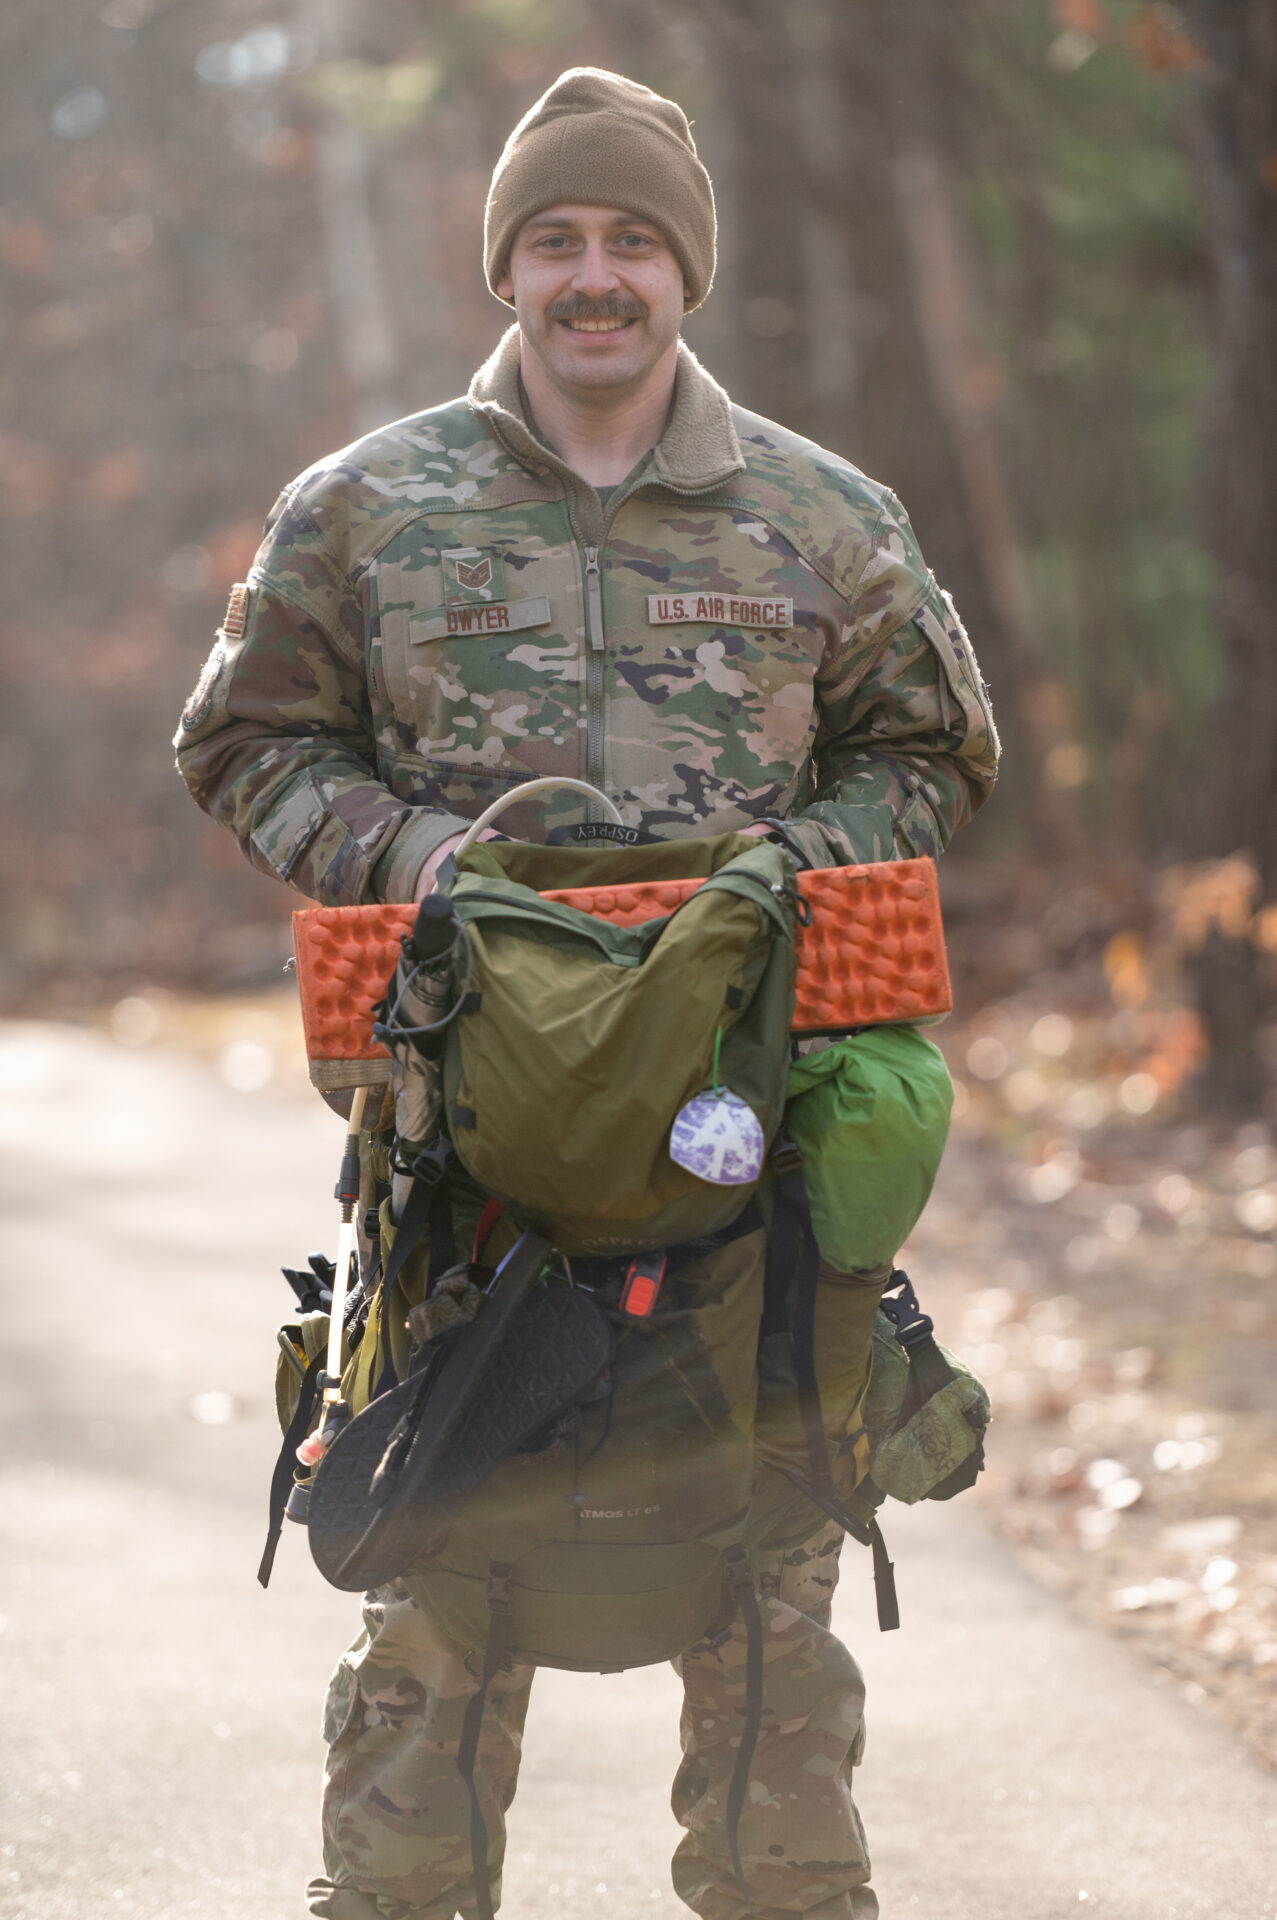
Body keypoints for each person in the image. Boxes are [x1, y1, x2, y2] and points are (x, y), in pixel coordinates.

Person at [176, 66, 998, 1920]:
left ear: (684, 269)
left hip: (752, 1125)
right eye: (556, 240)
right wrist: (411, 866)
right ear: (507, 271)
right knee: (441, 1587)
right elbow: (240, 747)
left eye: (631, 239)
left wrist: (790, 867)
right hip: (468, 1146)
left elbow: (936, 757)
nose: (595, 275)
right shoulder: (367, 508)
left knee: (772, 1578)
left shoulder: (823, 512)